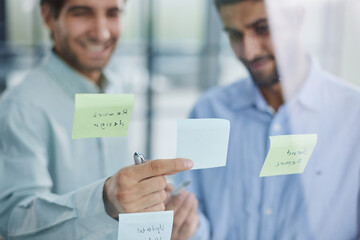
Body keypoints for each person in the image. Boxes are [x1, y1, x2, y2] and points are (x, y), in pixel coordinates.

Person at [0, 0, 198, 239]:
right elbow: (14, 223)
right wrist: (105, 201)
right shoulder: (20, 107)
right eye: (82, 13)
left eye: (113, 13)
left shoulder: (117, 87)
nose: (101, 33)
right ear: (49, 17)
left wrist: (150, 206)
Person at [175, 0, 360, 239]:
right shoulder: (208, 112)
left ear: (297, 18)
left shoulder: (353, 115)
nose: (249, 51)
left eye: (262, 28)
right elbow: (192, 219)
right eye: (234, 35)